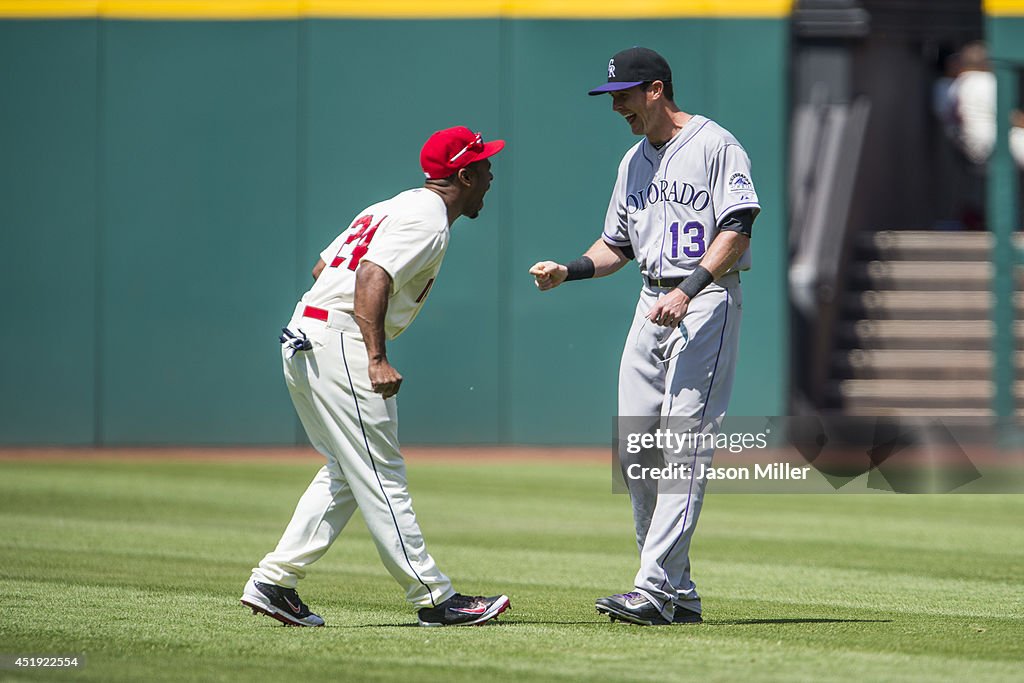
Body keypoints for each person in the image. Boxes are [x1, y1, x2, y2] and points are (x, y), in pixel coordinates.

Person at [241, 126, 510, 627]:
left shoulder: (392, 205)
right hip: (339, 341)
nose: (492, 175)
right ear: (465, 174)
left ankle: (274, 582)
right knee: (383, 474)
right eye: (486, 166)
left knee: (345, 471)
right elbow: (371, 276)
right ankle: (434, 597)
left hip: (306, 333)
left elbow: (324, 268)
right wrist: (375, 355)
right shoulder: (429, 220)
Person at [530, 47, 759, 626]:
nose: (618, 107)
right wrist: (570, 270)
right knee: (635, 452)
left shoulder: (715, 143)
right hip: (649, 299)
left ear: (655, 90)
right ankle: (677, 593)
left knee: (684, 445)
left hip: (705, 299)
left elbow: (737, 226)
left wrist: (689, 290)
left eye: (624, 95)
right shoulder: (632, 161)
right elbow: (617, 246)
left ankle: (653, 587)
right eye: (613, 97)